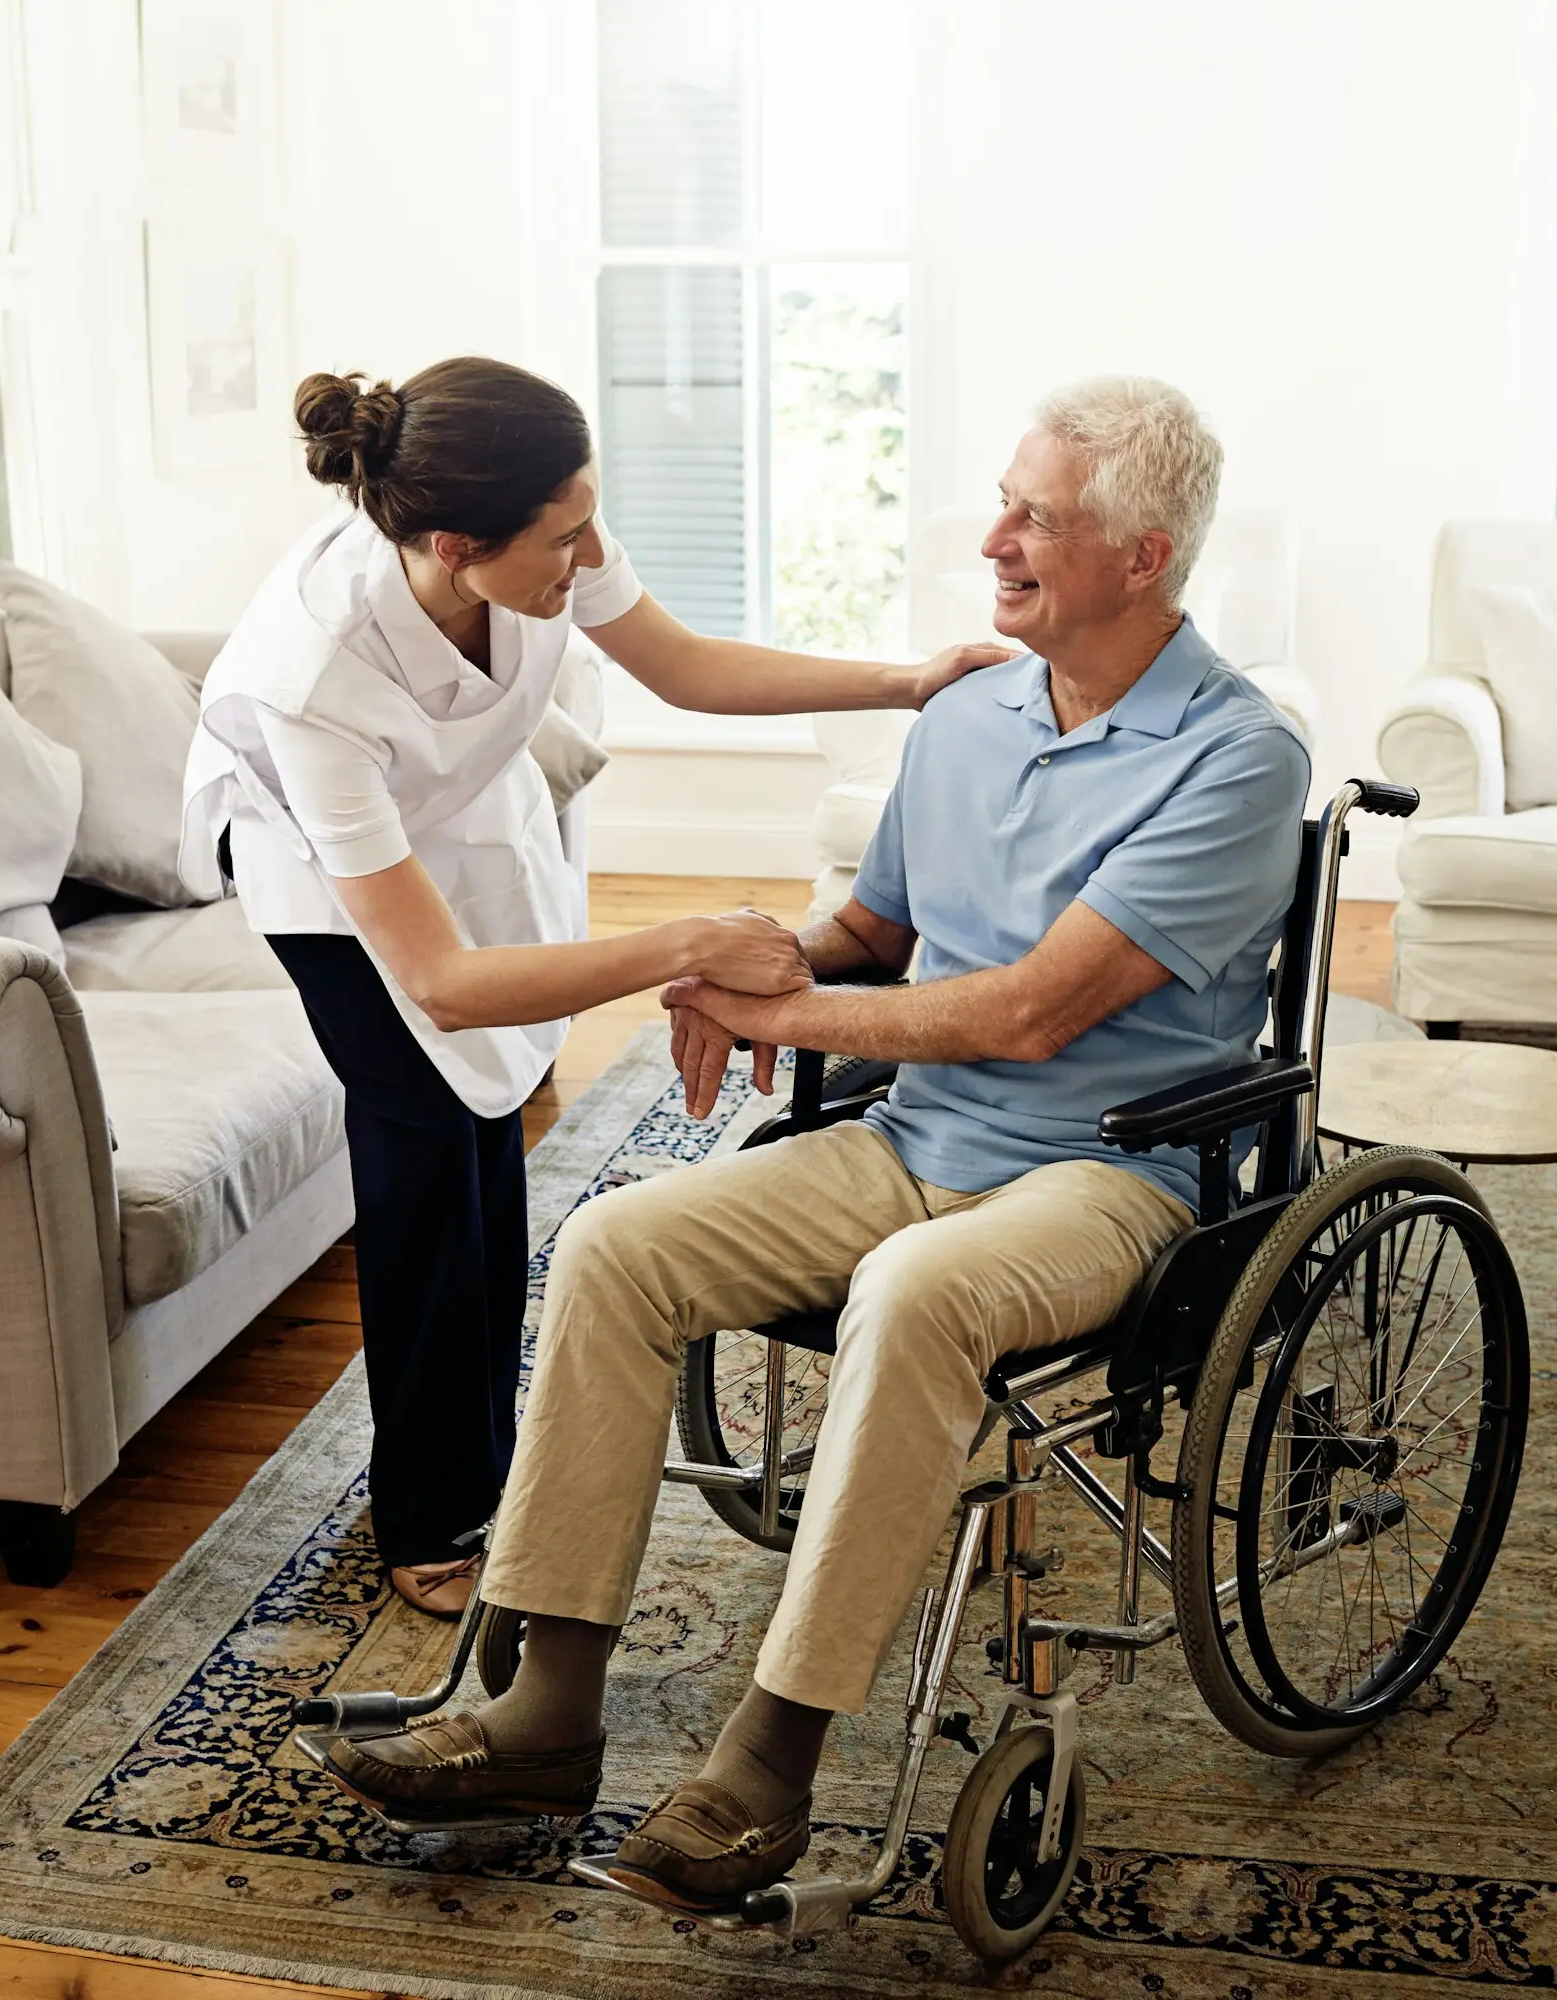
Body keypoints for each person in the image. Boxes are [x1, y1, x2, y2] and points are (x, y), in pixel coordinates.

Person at [316, 376, 1314, 1912]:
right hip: (916, 1141)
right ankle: (545, 1713)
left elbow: (1037, 1014)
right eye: (1003, 499)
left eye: (1034, 517)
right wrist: (741, 961)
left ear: (1143, 556)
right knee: (616, 1241)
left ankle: (768, 1769)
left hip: (1108, 1174)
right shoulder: (970, 711)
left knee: (918, 1291)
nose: (992, 538)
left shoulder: (1241, 758)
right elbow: (868, 933)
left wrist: (760, 1005)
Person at [179, 356, 1005, 1621]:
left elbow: (682, 667)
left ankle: (490, 1454)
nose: (586, 557)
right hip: (325, 875)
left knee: (490, 1149)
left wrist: (902, 682)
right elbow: (444, 983)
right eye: (561, 542)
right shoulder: (310, 684)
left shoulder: (531, 527)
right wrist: (688, 941)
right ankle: (427, 1507)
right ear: (457, 546)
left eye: (585, 521)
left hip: (455, 816)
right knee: (420, 1175)